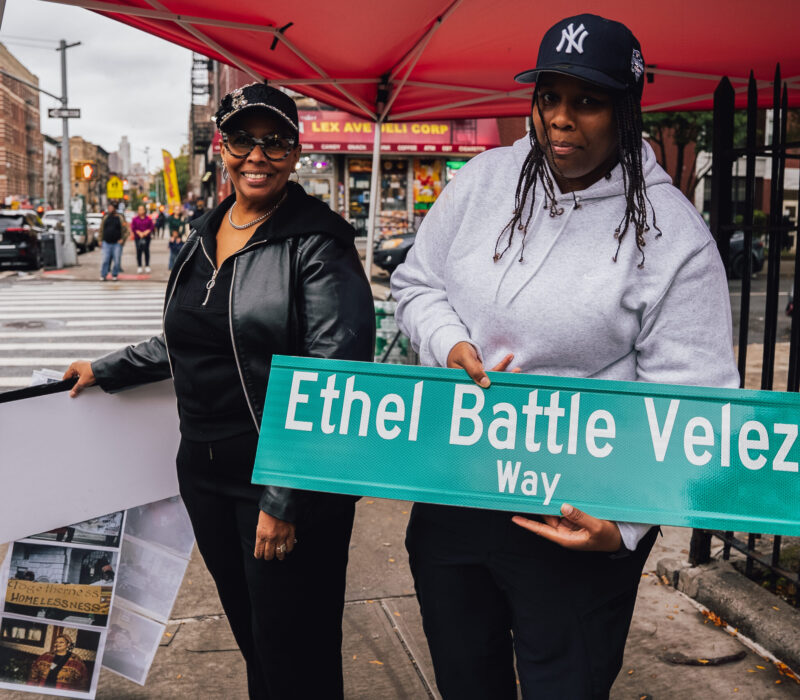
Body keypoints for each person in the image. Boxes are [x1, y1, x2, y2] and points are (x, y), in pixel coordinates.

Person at [391, 14, 739, 699]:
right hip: (456, 493)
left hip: (575, 517)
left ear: (626, 108)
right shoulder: (485, 180)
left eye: (586, 101)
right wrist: (449, 343)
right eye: (548, 97)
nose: (559, 119)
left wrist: (624, 527)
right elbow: (416, 283)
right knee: (467, 683)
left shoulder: (674, 237)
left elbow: (694, 407)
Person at [64, 82, 375, 700]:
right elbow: (188, 338)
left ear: (294, 151)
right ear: (222, 146)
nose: (257, 155)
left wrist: (285, 498)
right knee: (258, 642)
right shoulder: (202, 234)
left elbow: (334, 375)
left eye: (276, 142)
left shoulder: (318, 242)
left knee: (298, 655)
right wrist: (106, 369)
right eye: (242, 139)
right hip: (205, 476)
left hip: (282, 481)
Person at [98, 202, 129, 281]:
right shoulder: (105, 217)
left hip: (116, 243)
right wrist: (100, 240)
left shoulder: (120, 218)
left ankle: (114, 274)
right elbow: (101, 229)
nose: (109, 209)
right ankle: (103, 274)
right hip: (106, 242)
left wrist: (123, 239)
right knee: (105, 259)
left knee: (117, 260)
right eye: (109, 207)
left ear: (114, 208)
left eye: (111, 207)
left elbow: (126, 231)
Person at [131, 204, 155, 273]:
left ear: (144, 210)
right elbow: (133, 227)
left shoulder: (148, 218)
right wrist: (139, 232)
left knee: (146, 251)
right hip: (138, 238)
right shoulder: (135, 219)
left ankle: (147, 265)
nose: (141, 211)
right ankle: (139, 266)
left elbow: (152, 227)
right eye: (139, 209)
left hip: (147, 237)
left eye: (142, 209)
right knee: (139, 251)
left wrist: (147, 232)